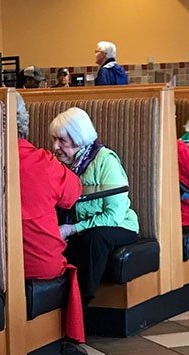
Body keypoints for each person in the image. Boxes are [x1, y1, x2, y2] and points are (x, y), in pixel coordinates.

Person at [15, 93, 86, 355]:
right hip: (35, 263)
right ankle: (69, 337)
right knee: (63, 260)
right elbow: (72, 194)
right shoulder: (41, 161)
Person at [50, 107, 139, 307]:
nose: (55, 146)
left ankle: (81, 305)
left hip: (119, 226)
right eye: (54, 139)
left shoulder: (105, 160)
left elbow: (114, 215)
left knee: (93, 239)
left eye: (62, 140)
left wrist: (72, 229)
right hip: (77, 228)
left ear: (79, 138)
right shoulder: (59, 164)